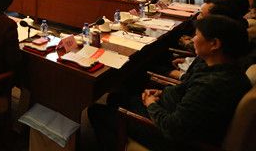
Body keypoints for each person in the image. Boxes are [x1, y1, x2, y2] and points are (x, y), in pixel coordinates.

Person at [89, 15, 251, 150]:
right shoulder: (223, 69)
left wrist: (151, 104)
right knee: (116, 97)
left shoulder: (211, 85)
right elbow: (188, 91)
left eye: (197, 35)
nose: (193, 39)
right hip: (172, 107)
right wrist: (162, 93)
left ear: (214, 44)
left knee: (96, 111)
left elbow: (173, 129)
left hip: (171, 136)